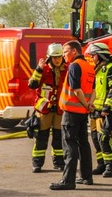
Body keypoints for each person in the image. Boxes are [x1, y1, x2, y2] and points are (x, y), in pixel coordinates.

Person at [50, 40, 95, 191]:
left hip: (71, 112)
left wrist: (84, 104)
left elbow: (76, 89)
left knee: (69, 145)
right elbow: (93, 90)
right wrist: (89, 105)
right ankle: (86, 177)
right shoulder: (89, 67)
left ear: (74, 51)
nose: (63, 55)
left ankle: (68, 181)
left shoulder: (75, 66)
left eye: (65, 52)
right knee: (83, 144)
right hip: (83, 113)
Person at [28, 43, 68, 173]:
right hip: (44, 109)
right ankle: (37, 163)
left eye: (59, 57)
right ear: (49, 58)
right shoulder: (43, 69)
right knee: (41, 137)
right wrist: (38, 69)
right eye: (54, 57)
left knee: (58, 138)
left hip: (59, 110)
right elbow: (32, 85)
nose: (57, 60)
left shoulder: (67, 69)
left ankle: (59, 163)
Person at [85, 42, 112, 177]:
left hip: (106, 111)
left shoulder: (111, 68)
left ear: (100, 56)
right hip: (95, 111)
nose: (92, 58)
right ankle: (101, 164)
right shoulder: (97, 70)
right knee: (95, 138)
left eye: (93, 55)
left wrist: (107, 107)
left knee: (105, 138)